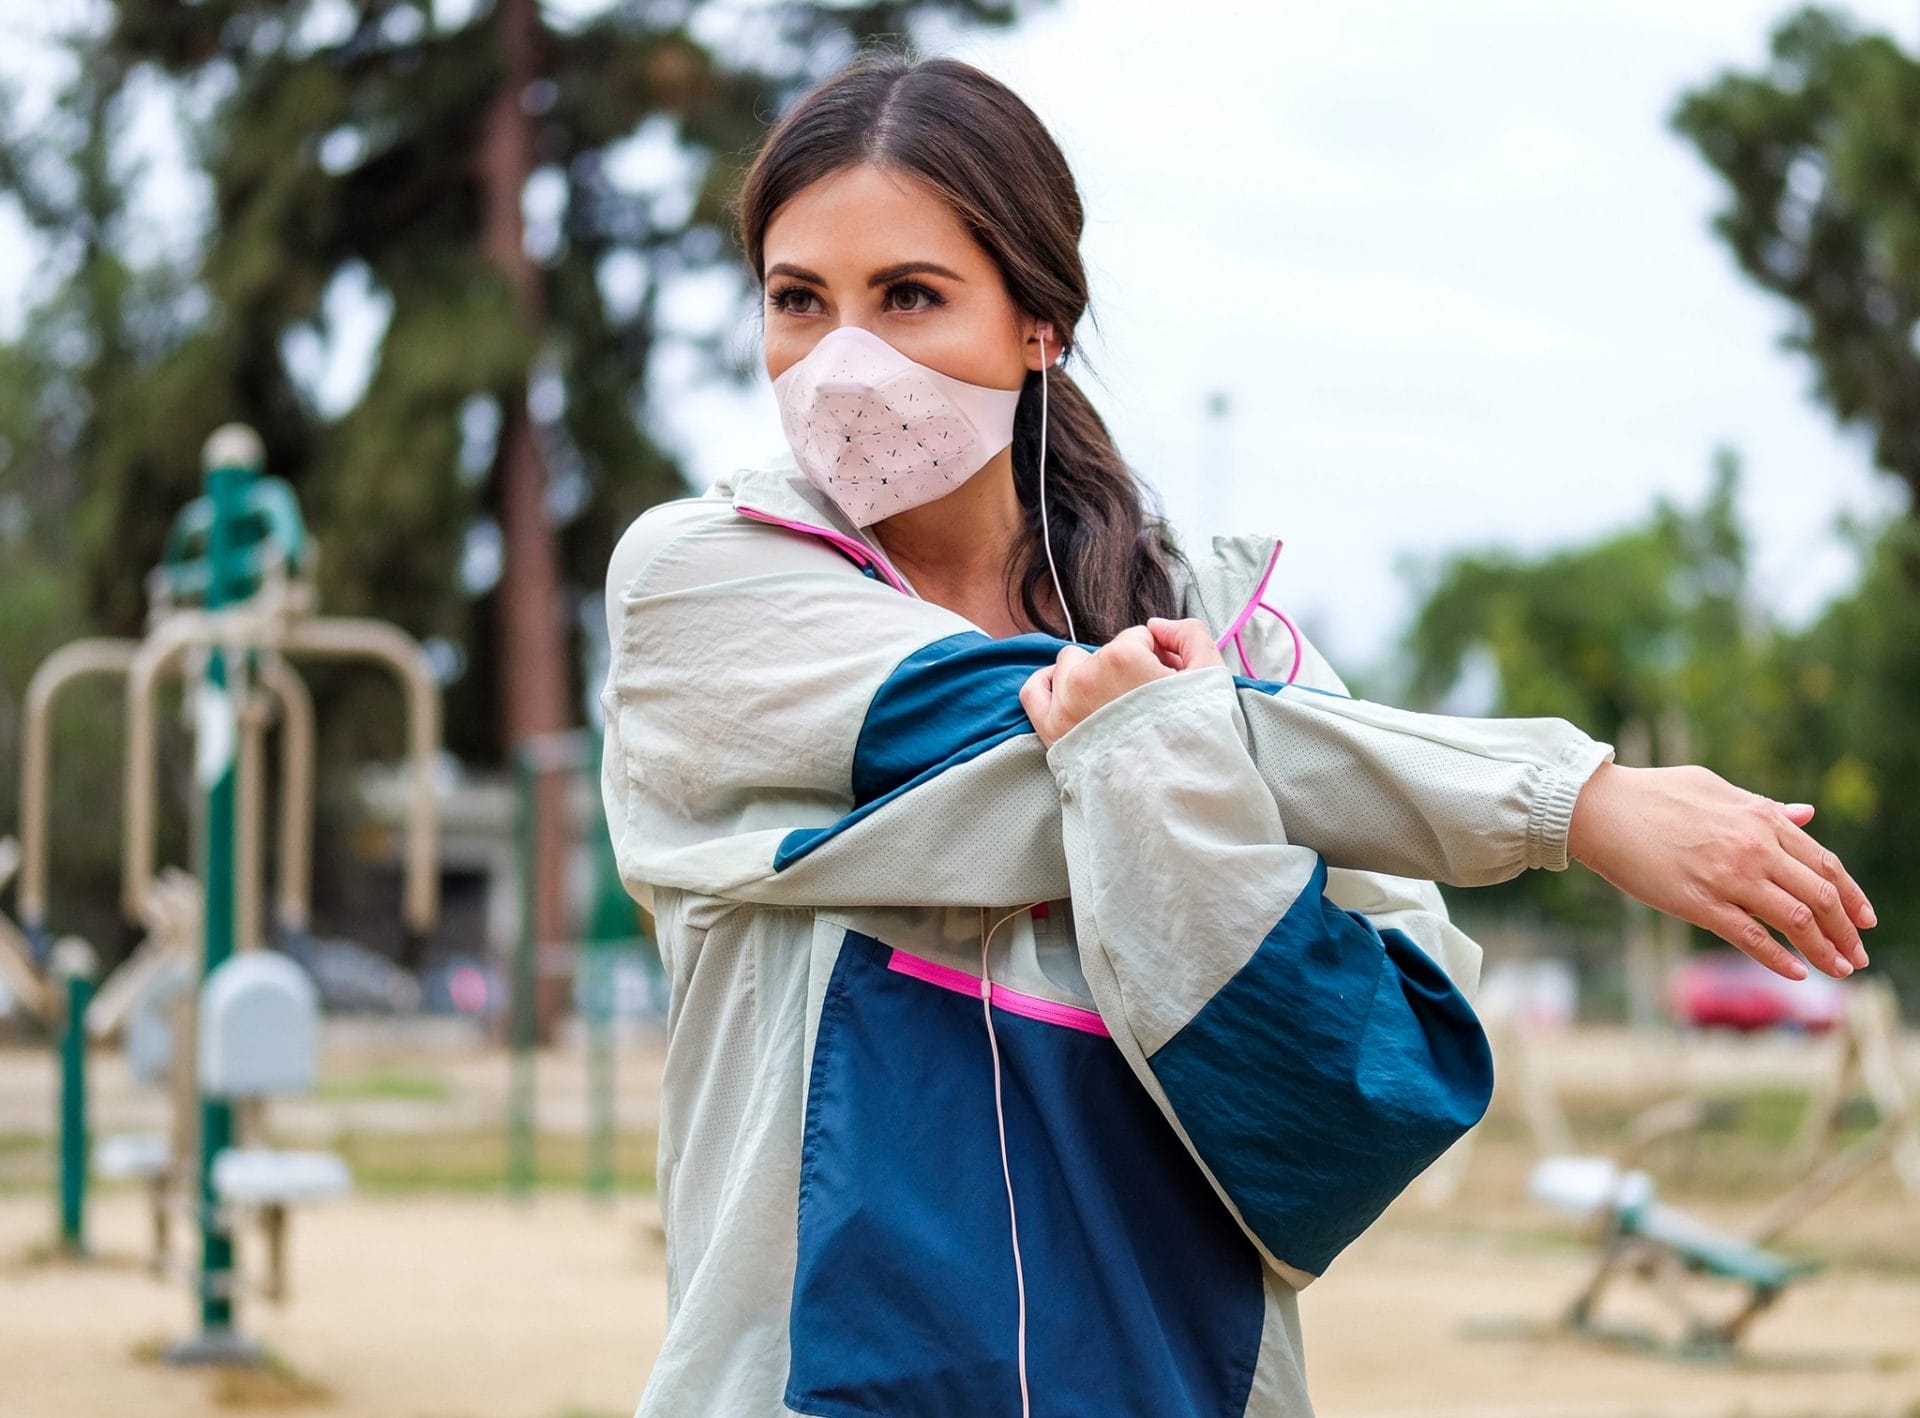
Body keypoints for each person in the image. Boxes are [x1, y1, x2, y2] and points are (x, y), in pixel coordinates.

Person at [598, 46, 1875, 1418]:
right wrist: (1571, 799)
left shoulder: (1229, 622)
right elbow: (1018, 753)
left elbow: (1381, 1066)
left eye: (909, 297)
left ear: (1039, 322)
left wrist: (1147, 762)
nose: (844, 361)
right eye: (800, 300)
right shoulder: (699, 589)